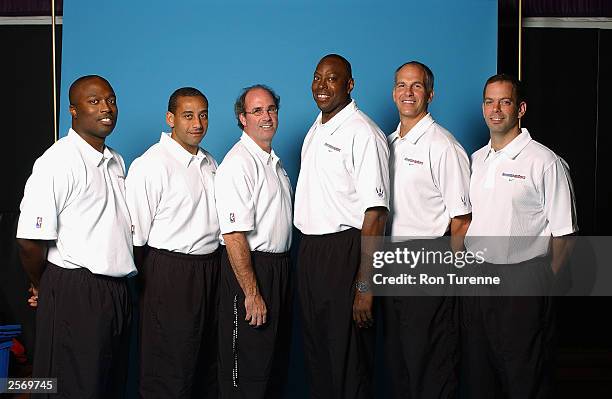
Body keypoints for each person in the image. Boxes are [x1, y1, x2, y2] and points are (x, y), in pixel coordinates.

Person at [16, 75, 135, 398]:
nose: (106, 108)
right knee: (72, 385)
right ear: (72, 110)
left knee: (109, 383)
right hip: (75, 288)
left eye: (110, 100)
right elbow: (29, 239)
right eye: (94, 102)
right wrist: (42, 284)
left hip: (116, 290)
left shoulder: (116, 161)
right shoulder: (58, 161)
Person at [462, 74, 578, 398]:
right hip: (479, 283)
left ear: (520, 108)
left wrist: (538, 282)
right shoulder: (475, 161)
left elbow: (565, 235)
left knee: (525, 379)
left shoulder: (545, 162)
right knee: (479, 378)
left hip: (523, 284)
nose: (495, 109)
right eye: (489, 101)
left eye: (505, 101)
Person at [294, 54, 390, 398]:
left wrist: (365, 284)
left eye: (332, 79)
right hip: (310, 252)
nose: (322, 85)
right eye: (317, 77)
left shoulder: (364, 133)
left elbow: (376, 215)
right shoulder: (316, 128)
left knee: (348, 361)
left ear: (349, 85)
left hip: (345, 252)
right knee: (317, 357)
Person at [125, 87, 220, 398]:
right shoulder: (151, 164)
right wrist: (149, 285)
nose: (197, 123)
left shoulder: (210, 162)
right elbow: (135, 237)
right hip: (168, 272)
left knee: (206, 364)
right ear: (171, 119)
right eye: (188, 116)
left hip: (210, 268)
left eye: (203, 115)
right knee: (168, 366)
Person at [384, 61, 471, 398]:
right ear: (393, 93)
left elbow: (462, 220)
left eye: (416, 86)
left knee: (430, 364)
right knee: (399, 363)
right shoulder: (387, 142)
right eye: (402, 85)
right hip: (391, 260)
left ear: (430, 94)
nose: (408, 92)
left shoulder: (443, 146)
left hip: (428, 261)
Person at [214, 85, 293, 398]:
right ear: (242, 118)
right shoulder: (239, 164)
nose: (267, 116)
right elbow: (233, 235)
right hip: (251, 270)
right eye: (257, 111)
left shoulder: (273, 163)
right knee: (246, 373)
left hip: (280, 269)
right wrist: (251, 292)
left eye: (271, 109)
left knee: (274, 368)